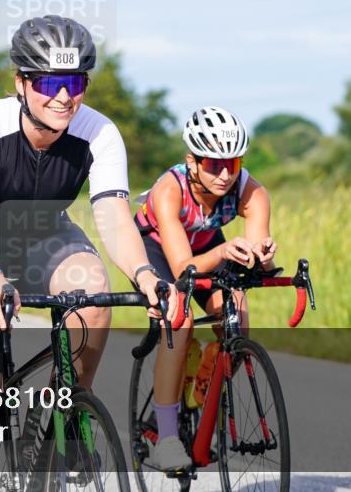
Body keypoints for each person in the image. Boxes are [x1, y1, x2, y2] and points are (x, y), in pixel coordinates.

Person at [0, 15, 177, 492]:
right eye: (49, 82)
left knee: (94, 296)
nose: (64, 96)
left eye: (75, 82)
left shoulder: (99, 133)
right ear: (21, 82)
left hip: (41, 233)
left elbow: (116, 219)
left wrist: (144, 274)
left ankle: (69, 405)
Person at [133, 106, 276, 470]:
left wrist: (262, 257)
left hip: (208, 245)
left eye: (234, 162)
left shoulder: (252, 192)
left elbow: (256, 253)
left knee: (236, 319)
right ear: (191, 161)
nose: (225, 174)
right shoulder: (170, 190)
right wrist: (226, 250)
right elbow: (183, 268)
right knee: (177, 321)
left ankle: (200, 383)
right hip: (160, 249)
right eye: (213, 164)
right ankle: (166, 436)